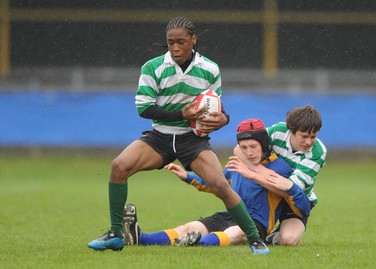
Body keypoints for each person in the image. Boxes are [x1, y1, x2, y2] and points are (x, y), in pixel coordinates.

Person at [87, 17, 269, 254]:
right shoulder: (152, 68)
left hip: (192, 140)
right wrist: (183, 113)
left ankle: (255, 240)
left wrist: (225, 119)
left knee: (220, 185)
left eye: (181, 42)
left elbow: (216, 105)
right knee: (119, 166)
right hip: (160, 137)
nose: (175, 48)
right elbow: (144, 108)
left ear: (193, 40)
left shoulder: (210, 69)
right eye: (171, 42)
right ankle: (116, 234)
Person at [122, 118, 310, 249]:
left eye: (253, 146)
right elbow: (215, 183)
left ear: (264, 145)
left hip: (256, 223)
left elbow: (300, 204)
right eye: (243, 148)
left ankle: (198, 244)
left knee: (235, 233)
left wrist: (287, 187)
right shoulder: (237, 164)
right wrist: (187, 176)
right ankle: (139, 237)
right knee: (190, 228)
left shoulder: (282, 168)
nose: (249, 152)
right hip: (230, 213)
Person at [233, 105, 327, 246]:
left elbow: (290, 188)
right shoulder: (278, 131)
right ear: (291, 131)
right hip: (269, 191)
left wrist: (256, 175)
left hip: (295, 201)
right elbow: (239, 150)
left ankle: (270, 238)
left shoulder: (318, 153)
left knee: (289, 240)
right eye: (304, 136)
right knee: (243, 229)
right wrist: (262, 171)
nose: (308, 142)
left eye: (313, 136)